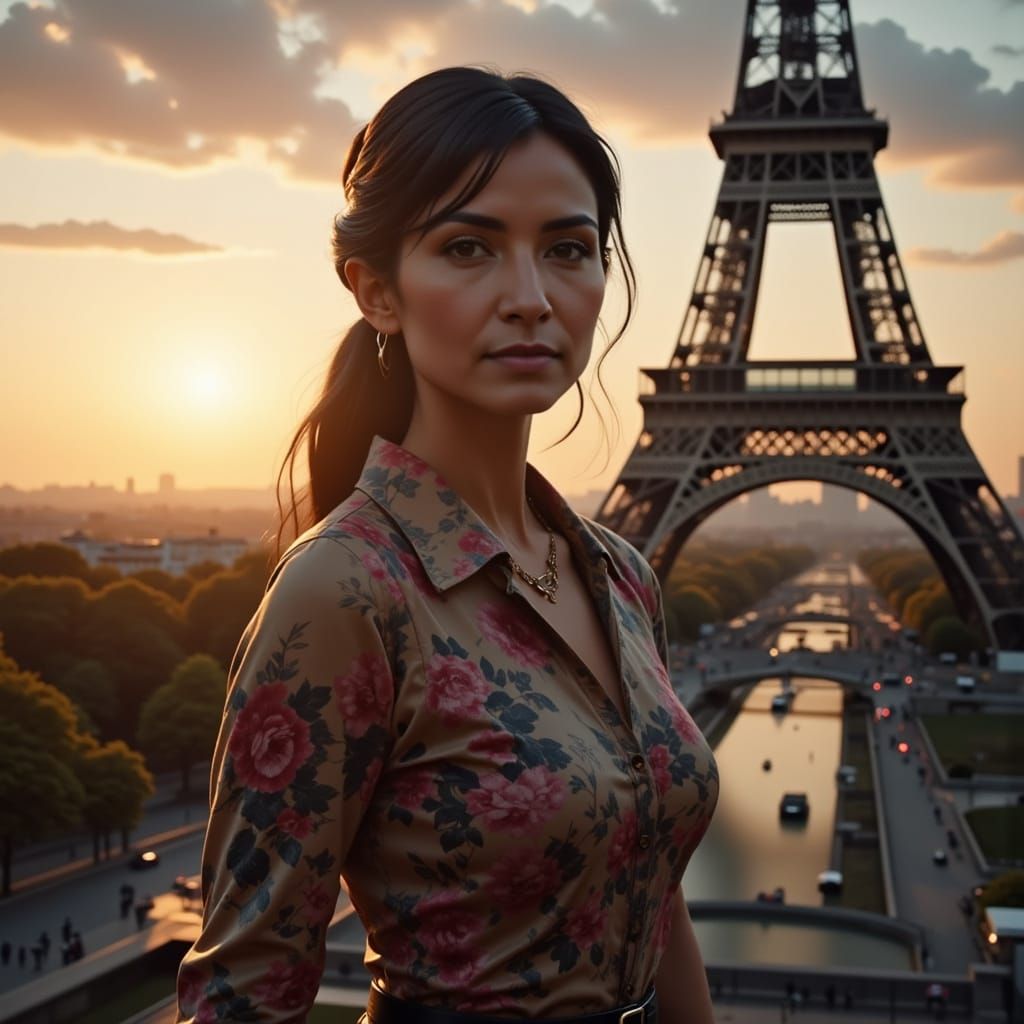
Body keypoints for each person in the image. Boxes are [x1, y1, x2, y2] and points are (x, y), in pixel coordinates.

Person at [175, 66, 720, 1023]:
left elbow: (656, 884)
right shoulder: (346, 593)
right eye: (469, 247)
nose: (529, 296)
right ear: (376, 290)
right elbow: (243, 992)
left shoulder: (621, 577)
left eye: (568, 249)